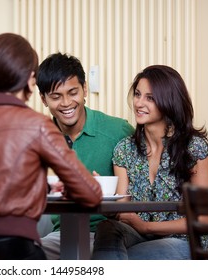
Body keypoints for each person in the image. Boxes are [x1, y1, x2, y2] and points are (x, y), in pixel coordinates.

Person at [0, 33, 102, 260]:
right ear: (30, 79)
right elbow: (91, 194)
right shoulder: (37, 125)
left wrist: (39, 188)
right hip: (11, 250)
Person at [92, 65, 208, 260]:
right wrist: (104, 197)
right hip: (141, 237)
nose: (139, 103)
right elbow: (122, 210)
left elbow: (203, 218)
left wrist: (146, 226)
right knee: (108, 228)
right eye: (138, 94)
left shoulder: (193, 148)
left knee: (121, 257)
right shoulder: (124, 150)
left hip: (185, 241)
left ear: (169, 101)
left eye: (150, 98)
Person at [36, 52, 134, 259]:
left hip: (107, 234)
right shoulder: (39, 138)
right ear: (43, 99)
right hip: (61, 234)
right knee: (23, 257)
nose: (66, 103)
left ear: (85, 89)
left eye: (73, 92)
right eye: (55, 96)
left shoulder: (118, 131)